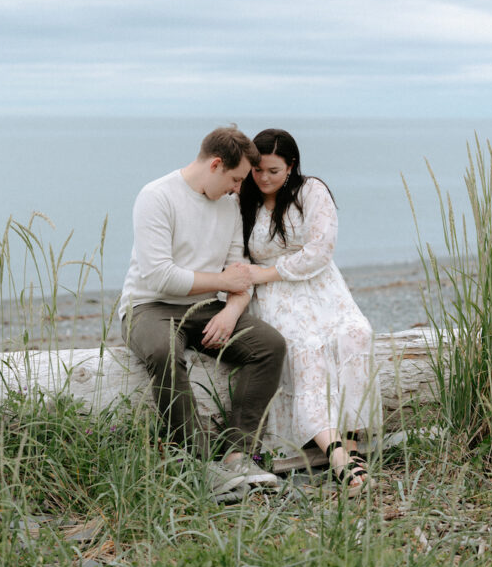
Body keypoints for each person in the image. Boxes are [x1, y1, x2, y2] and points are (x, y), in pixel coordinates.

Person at [120, 125, 287, 497]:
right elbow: (161, 276)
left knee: (269, 345)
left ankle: (237, 456)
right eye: (235, 178)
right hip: (148, 305)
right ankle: (197, 461)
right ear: (215, 165)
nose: (238, 189)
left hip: (206, 307)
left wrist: (230, 312)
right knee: (164, 350)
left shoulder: (228, 206)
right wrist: (223, 282)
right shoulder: (157, 196)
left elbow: (239, 276)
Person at [236, 128, 381, 494]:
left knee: (355, 333)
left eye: (274, 170)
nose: (265, 178)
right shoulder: (243, 199)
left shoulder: (311, 191)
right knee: (304, 348)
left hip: (320, 285)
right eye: (259, 171)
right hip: (274, 296)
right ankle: (337, 456)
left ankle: (351, 442)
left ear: (291, 166)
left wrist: (267, 270)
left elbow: (321, 250)